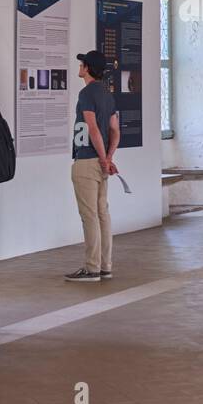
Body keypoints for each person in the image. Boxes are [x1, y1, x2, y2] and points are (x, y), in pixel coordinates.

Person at [66, 50, 120, 283]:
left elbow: (93, 128)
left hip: (87, 161)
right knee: (102, 214)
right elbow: (115, 131)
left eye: (82, 63)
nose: (79, 66)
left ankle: (92, 269)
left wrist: (101, 157)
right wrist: (108, 157)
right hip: (100, 162)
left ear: (87, 68)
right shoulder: (107, 94)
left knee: (89, 216)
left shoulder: (86, 93)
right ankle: (105, 266)